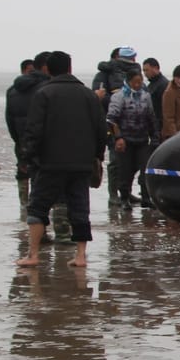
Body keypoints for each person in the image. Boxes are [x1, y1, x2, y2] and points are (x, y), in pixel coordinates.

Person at [18, 51, 106, 268]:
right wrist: (97, 156)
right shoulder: (88, 95)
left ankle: (34, 255)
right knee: (79, 208)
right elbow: (100, 129)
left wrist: (27, 156)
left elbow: (34, 129)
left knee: (38, 207)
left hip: (50, 163)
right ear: (69, 68)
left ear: (47, 69)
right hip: (81, 163)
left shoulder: (44, 93)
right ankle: (80, 256)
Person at [106, 67, 158, 208]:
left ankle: (146, 197)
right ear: (128, 82)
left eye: (140, 82)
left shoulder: (145, 96)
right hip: (125, 140)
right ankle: (124, 198)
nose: (137, 85)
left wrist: (154, 136)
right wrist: (118, 138)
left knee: (144, 169)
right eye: (135, 82)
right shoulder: (119, 97)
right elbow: (111, 119)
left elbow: (151, 118)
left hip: (142, 139)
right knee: (125, 170)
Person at [5, 53, 48, 214]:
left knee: (23, 170)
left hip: (22, 139)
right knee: (42, 175)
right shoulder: (46, 87)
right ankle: (38, 209)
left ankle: (24, 205)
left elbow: (9, 119)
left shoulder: (12, 90)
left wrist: (18, 140)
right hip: (42, 141)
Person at [141, 57, 168, 125]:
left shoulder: (163, 84)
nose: (145, 73)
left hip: (160, 124)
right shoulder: (151, 85)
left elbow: (165, 109)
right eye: (143, 71)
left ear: (156, 68)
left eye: (147, 70)